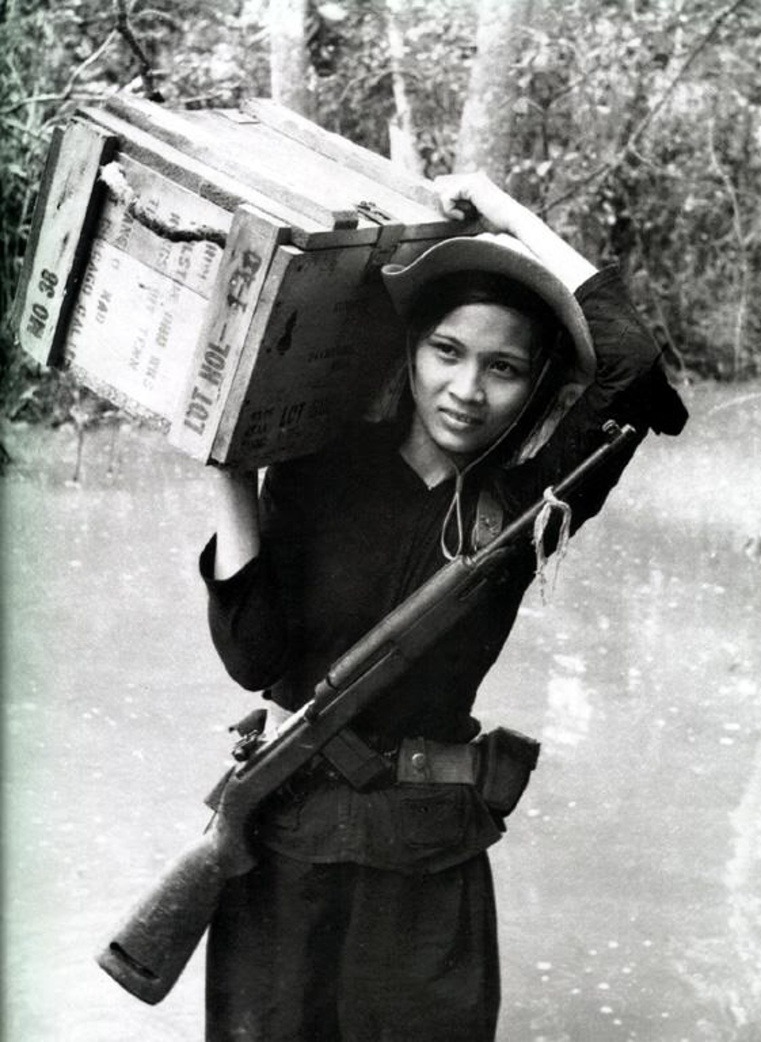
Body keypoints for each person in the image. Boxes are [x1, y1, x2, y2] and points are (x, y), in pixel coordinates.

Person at [199, 172, 687, 1042]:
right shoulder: (317, 467)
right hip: (289, 842)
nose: (468, 388)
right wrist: (229, 464)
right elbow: (253, 659)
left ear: (534, 386)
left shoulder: (532, 506)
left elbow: (635, 367)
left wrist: (505, 214)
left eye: (503, 368)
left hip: (428, 861)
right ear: (409, 354)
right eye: (447, 351)